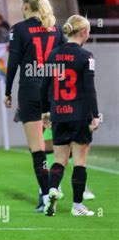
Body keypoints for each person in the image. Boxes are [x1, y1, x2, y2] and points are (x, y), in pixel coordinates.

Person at [3, 0, 67, 212]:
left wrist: (7, 91)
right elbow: (65, 62)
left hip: (30, 92)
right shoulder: (56, 29)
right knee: (60, 145)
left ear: (26, 6)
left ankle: (44, 194)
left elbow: (13, 64)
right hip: (54, 92)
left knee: (37, 148)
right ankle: (59, 185)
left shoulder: (19, 29)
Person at [41, 15, 99, 217]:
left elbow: (45, 86)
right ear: (83, 32)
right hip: (79, 114)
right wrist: (95, 115)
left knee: (59, 161)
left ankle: (52, 191)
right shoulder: (86, 57)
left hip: (58, 114)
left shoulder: (53, 55)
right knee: (80, 161)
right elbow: (90, 90)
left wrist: (45, 111)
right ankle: (77, 206)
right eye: (88, 31)